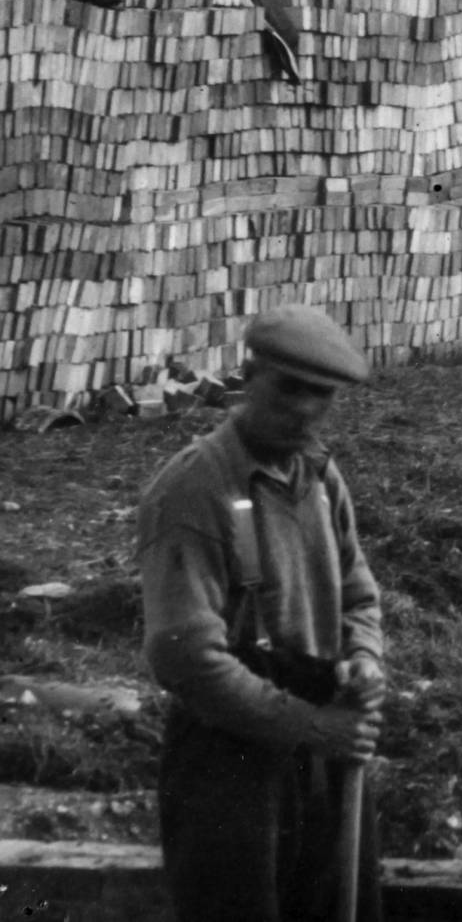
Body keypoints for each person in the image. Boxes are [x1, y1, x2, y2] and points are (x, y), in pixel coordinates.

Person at [138, 305, 387, 922]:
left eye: (320, 394)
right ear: (249, 378)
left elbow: (359, 596)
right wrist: (309, 726)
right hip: (230, 757)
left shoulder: (321, 479)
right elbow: (184, 656)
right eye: (288, 388)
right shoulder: (195, 489)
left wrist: (363, 659)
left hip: (322, 751)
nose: (304, 408)